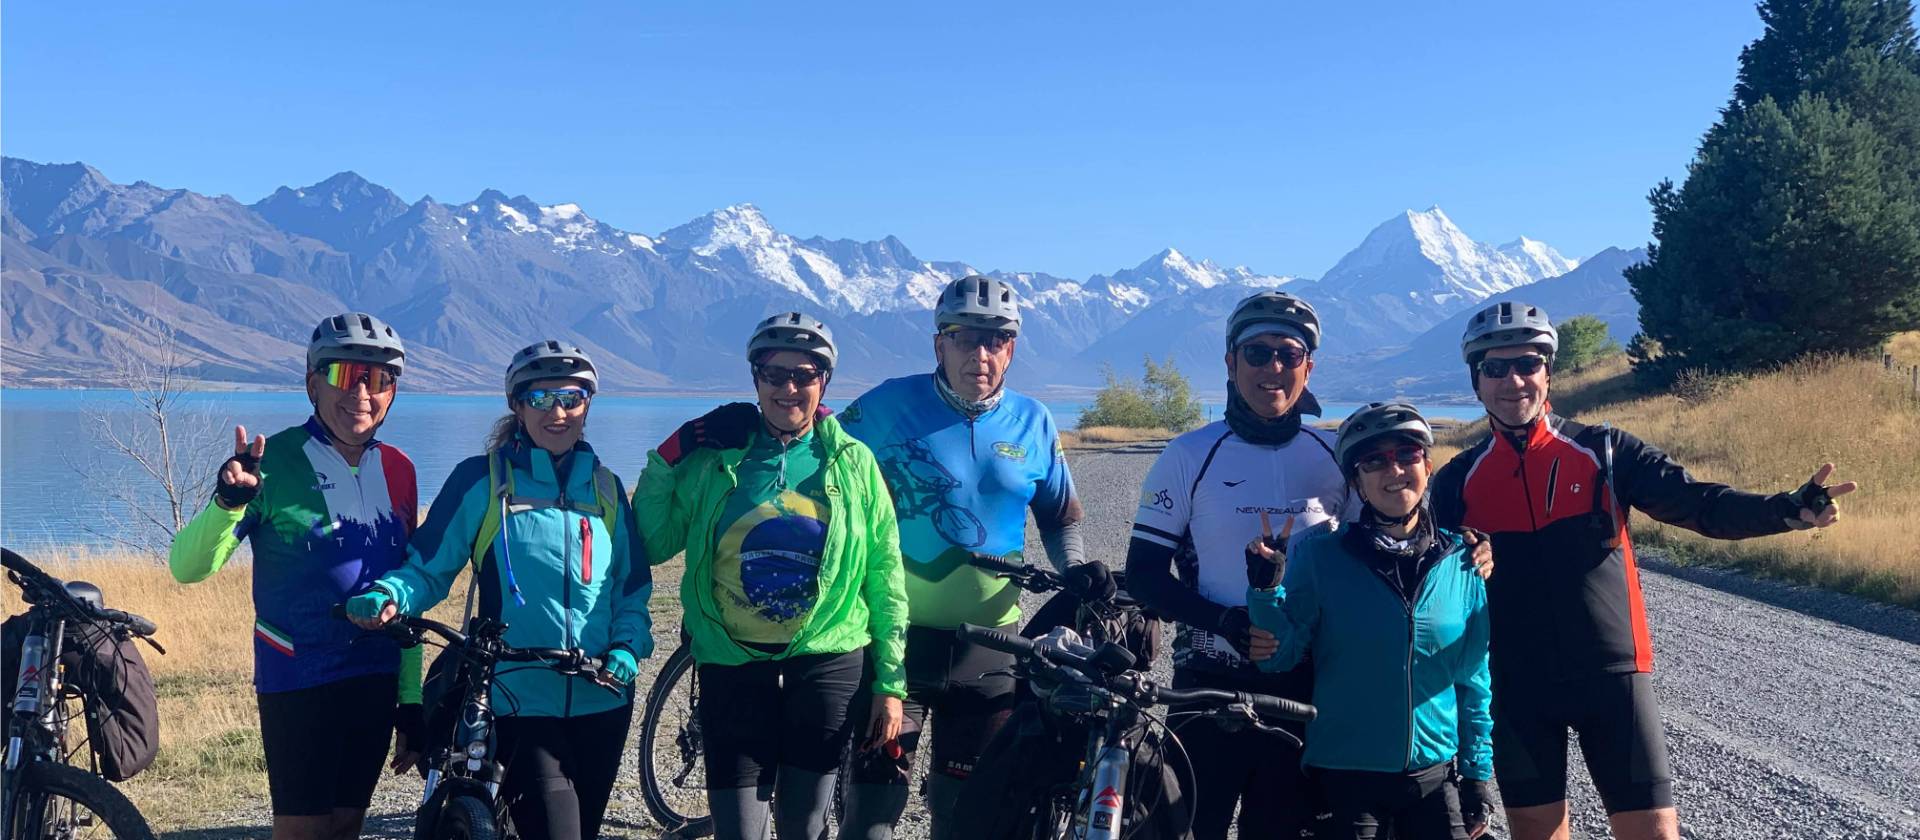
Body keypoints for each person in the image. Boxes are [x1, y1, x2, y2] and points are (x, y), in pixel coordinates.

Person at [1430, 301, 1858, 840]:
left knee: (1653, 832)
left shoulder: (1605, 452)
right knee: (1537, 833)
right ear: (1476, 380)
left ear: (1548, 372)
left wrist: (1783, 510)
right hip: (1515, 684)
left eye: (1528, 364)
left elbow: (1699, 503)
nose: (1513, 380)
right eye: (1496, 368)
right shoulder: (1456, 481)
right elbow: (1425, 583)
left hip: (1612, 678)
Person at [831, 275, 1108, 840]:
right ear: (939, 344)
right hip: (895, 640)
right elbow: (816, 455)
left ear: (1011, 348)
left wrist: (1075, 572)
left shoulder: (1034, 421)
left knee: (967, 817)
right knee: (872, 815)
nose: (979, 353)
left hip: (990, 650)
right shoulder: (886, 404)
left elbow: (1058, 518)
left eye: (996, 340)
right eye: (963, 338)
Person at [346, 340, 653, 840]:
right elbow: (427, 568)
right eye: (540, 398)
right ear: (516, 404)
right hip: (520, 695)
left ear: (588, 405)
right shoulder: (483, 482)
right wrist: (389, 595)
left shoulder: (606, 489)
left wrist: (627, 645)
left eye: (572, 397)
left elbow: (632, 588)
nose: (558, 412)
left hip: (604, 698)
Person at [636, 312, 908, 840]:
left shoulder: (853, 463)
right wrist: (674, 450)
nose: (788, 388)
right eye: (773, 374)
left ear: (823, 381)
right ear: (754, 379)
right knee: (740, 830)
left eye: (804, 375)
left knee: (803, 827)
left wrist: (890, 684)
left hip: (827, 659)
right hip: (731, 661)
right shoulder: (717, 459)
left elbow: (885, 575)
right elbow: (653, 540)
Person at [168, 312, 423, 840]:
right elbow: (187, 567)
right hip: (299, 675)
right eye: (343, 374)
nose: (361, 392)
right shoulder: (274, 462)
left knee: (349, 824)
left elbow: (409, 584)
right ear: (312, 383)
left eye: (378, 380)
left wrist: (412, 700)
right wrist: (228, 504)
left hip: (375, 672)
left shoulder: (401, 469)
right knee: (304, 830)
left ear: (392, 392)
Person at [1123, 290, 1356, 839]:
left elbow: (1392, 538)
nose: (1272, 367)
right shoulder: (1187, 455)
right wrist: (1225, 622)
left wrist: (1468, 543)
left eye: (1289, 354)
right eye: (1257, 353)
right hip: (1208, 687)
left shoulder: (1336, 455)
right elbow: (1144, 575)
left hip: (1306, 688)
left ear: (1308, 367)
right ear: (1230, 362)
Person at [1247, 402, 1493, 840]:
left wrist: (1477, 774)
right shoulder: (1321, 557)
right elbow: (1278, 659)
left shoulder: (1463, 562)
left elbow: (1473, 679)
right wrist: (1266, 591)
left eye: (1407, 454)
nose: (1393, 468)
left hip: (1433, 777)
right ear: (1356, 481)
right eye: (1373, 460)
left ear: (1428, 465)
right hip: (1345, 777)